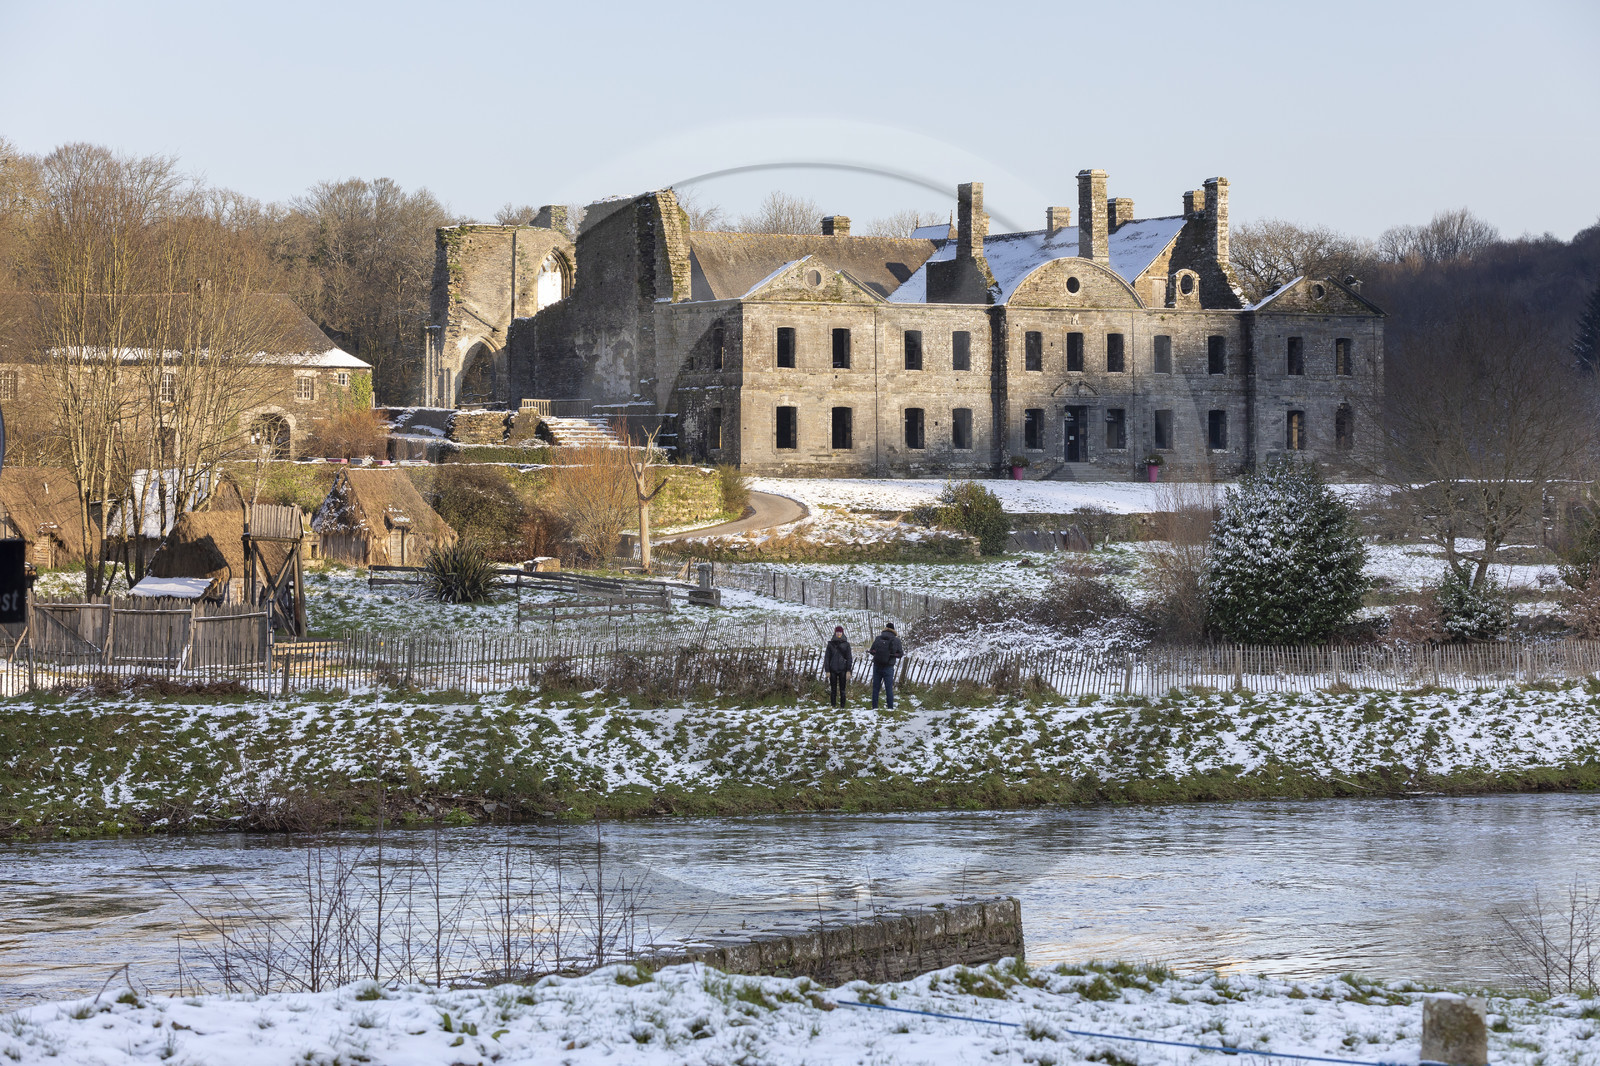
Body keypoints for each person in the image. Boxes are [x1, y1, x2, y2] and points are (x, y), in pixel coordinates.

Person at [868, 622, 904, 709]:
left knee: (876, 688)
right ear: (894, 630)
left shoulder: (878, 638)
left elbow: (872, 651)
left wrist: (879, 654)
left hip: (877, 665)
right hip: (888, 666)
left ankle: (874, 708)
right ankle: (890, 708)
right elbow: (900, 654)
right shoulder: (896, 640)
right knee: (889, 689)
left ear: (885, 629)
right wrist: (892, 655)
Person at [824, 625, 853, 707]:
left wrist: (848, 670)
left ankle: (842, 706)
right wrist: (827, 670)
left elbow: (849, 658)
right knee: (833, 690)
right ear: (835, 633)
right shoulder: (830, 644)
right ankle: (833, 705)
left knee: (842, 689)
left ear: (842, 633)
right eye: (837, 632)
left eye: (840, 632)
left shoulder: (846, 644)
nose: (839, 633)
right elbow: (827, 658)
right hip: (832, 669)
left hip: (843, 669)